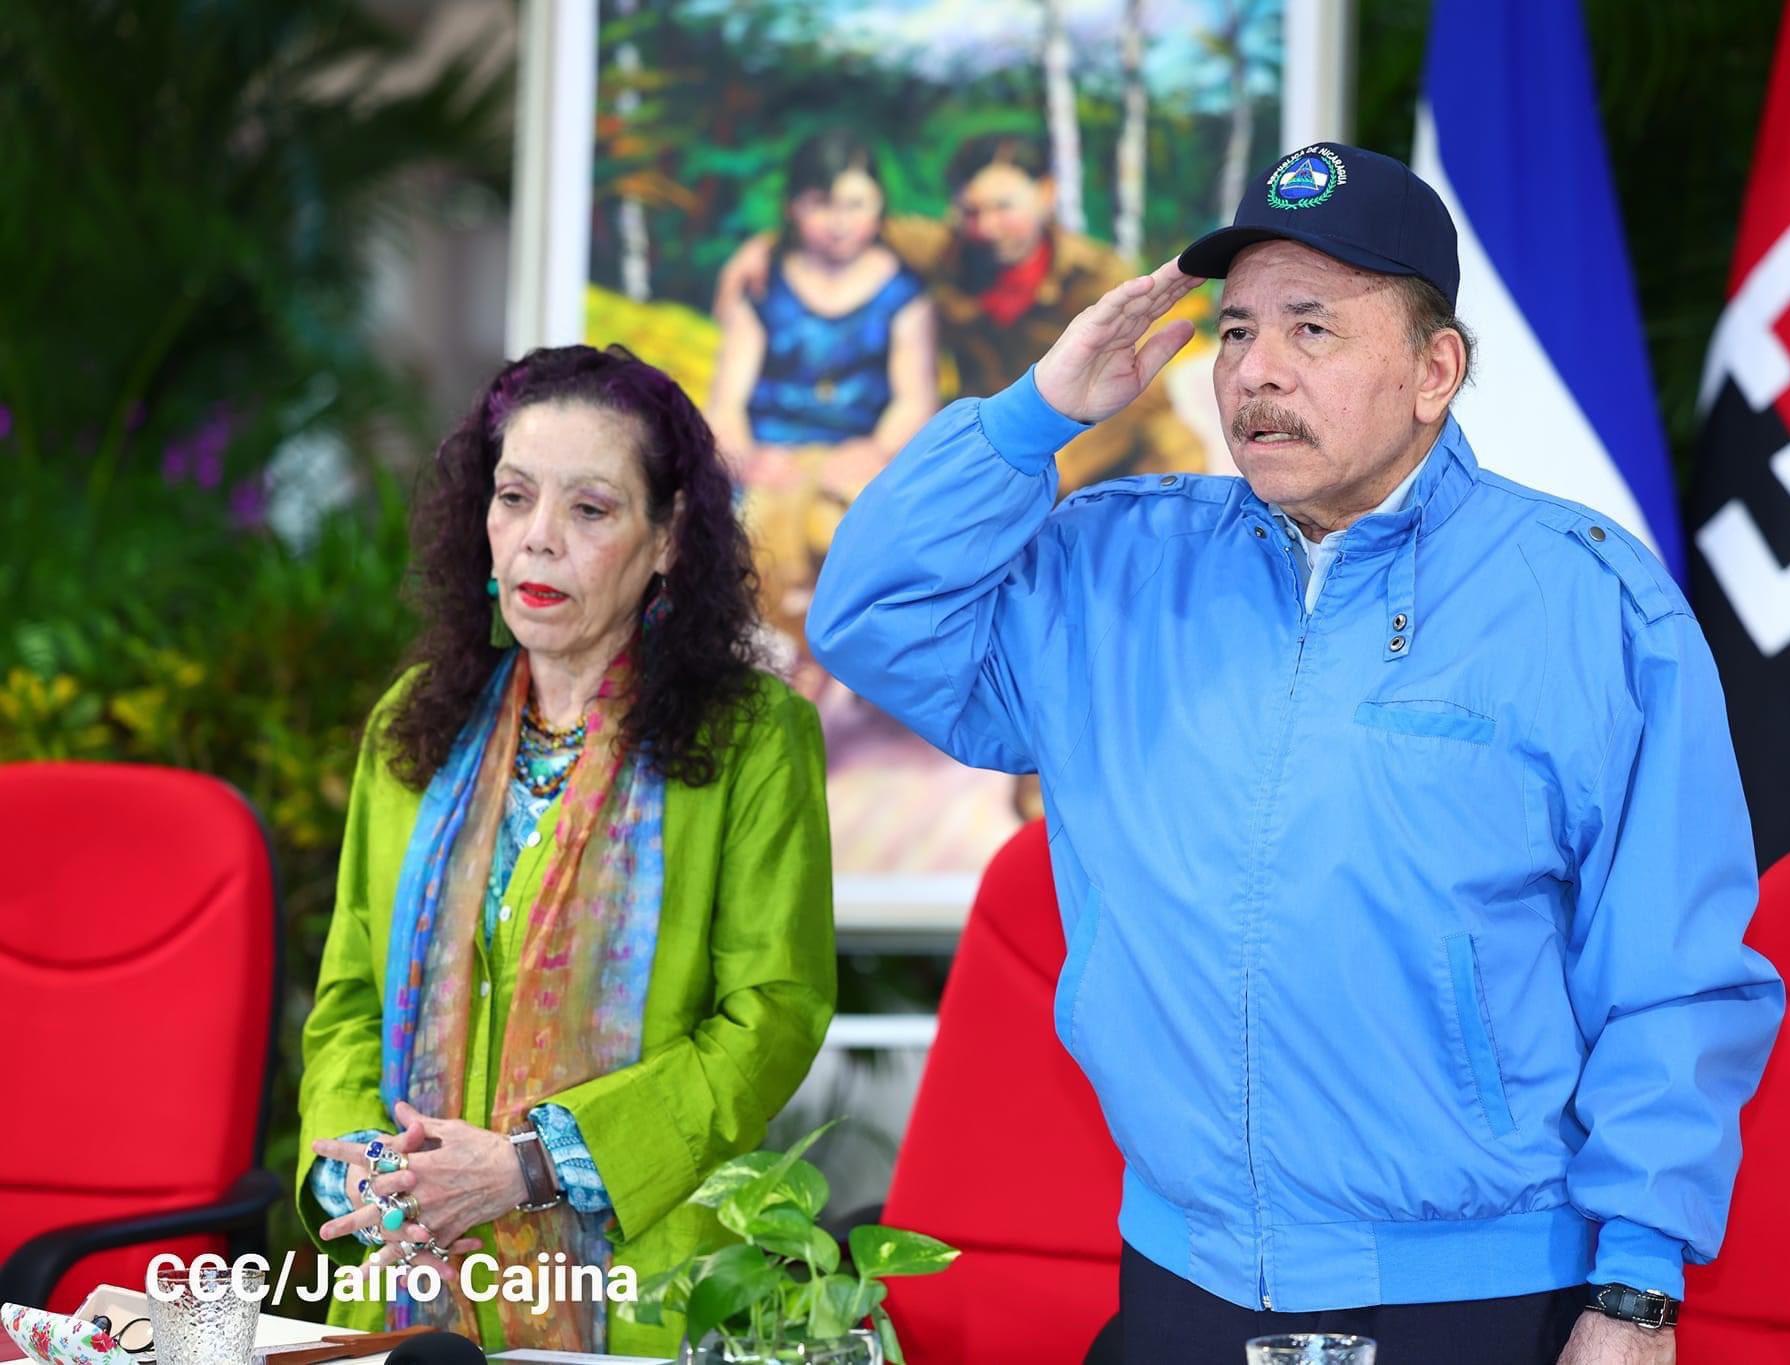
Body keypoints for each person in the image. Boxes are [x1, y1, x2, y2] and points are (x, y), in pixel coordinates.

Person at [808, 143, 1785, 1365]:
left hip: (1479, 1300)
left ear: (1435, 370)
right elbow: (869, 617)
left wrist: (1635, 1288)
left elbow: (1674, 971)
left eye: (1311, 330)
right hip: (1184, 1283)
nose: (1256, 374)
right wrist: (1032, 414)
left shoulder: (1587, 603)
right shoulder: (1114, 571)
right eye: (1232, 332)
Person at [296, 344, 835, 1356]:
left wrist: (532, 1164)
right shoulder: (414, 725)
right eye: (512, 498)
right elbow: (350, 1001)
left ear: (668, 538)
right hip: (408, 1282)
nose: (537, 541)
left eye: (590, 510)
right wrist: (355, 1165)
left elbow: (773, 1015)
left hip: (644, 1279)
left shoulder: (753, 734)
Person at [722, 132, 1206, 495]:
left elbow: (1141, 399)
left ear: (1046, 195)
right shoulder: (949, 252)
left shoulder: (1099, 274)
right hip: (1004, 444)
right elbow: (854, 224)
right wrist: (766, 247)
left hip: (1101, 443)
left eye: (1004, 206)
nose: (988, 227)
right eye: (972, 211)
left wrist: (1044, 472)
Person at [704, 131, 938, 686]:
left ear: (879, 206)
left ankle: (840, 668)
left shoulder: (903, 292)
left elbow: (914, 398)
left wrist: (876, 450)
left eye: (854, 204)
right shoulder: (762, 285)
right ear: (794, 206)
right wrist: (746, 455)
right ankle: (777, 663)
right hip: (773, 453)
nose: (838, 221)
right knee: (752, 534)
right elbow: (727, 401)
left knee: (848, 527)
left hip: (860, 452)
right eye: (821, 204)